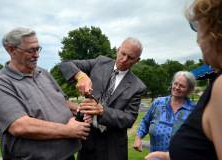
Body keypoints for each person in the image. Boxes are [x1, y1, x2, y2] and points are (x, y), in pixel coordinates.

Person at [0, 27, 91, 160]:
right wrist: (69, 130)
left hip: (67, 155)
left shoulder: (42, 72)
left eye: (38, 49)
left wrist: (81, 109)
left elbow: (62, 101)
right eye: (31, 50)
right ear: (12, 50)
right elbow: (19, 126)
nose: (37, 55)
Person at [145, 0, 222, 159]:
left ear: (211, 30)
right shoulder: (159, 103)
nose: (197, 38)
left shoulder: (220, 87)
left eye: (196, 25)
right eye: (176, 84)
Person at [59, 37, 147, 160]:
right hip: (87, 140)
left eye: (130, 58)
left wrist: (101, 111)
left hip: (112, 146)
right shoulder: (99, 62)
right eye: (123, 54)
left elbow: (129, 118)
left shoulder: (138, 87)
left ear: (137, 60)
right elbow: (66, 64)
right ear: (118, 50)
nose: (124, 60)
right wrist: (81, 76)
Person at [133, 71, 196, 153]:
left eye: (182, 86)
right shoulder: (158, 103)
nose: (177, 87)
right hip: (156, 156)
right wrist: (138, 138)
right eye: (175, 83)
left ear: (190, 90)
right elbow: (145, 121)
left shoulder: (194, 110)